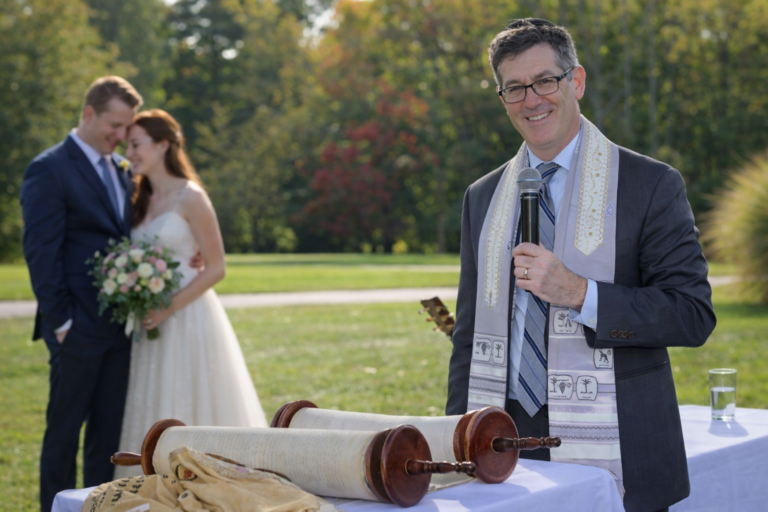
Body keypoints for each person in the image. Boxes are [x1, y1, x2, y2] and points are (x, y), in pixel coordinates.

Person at [445, 19, 715, 512]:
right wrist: (456, 441)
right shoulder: (482, 197)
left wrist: (581, 294)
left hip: (619, 446)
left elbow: (691, 313)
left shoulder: (649, 184)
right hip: (501, 447)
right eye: (515, 88)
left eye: (545, 80)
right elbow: (467, 337)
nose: (532, 99)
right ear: (503, 98)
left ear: (577, 81)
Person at [113, 109, 268, 479]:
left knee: (196, 398)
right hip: (149, 323)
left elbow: (217, 266)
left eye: (136, 144)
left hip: (188, 317)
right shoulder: (137, 197)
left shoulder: (192, 196)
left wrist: (168, 307)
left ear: (163, 144)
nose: (129, 153)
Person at [21, 76, 142, 512]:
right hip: (75, 327)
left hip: (117, 327)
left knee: (106, 437)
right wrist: (63, 324)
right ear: (89, 114)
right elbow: (40, 252)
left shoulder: (122, 170)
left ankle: (96, 507)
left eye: (127, 127)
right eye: (115, 124)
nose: (122, 135)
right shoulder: (49, 168)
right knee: (63, 434)